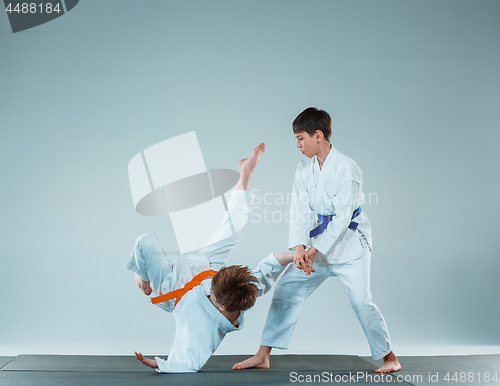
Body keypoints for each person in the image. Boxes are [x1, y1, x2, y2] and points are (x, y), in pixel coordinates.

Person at [233, 108, 401, 373]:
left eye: (301, 139)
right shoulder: (304, 167)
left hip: (350, 245)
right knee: (287, 288)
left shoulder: (346, 168)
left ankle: (389, 357)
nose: (298, 145)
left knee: (361, 300)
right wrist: (300, 247)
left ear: (318, 135)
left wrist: (313, 250)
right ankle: (263, 354)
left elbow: (343, 216)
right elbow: (299, 208)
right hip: (319, 243)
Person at [127, 143, 295, 373]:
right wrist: (295, 256)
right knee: (232, 229)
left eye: (214, 290)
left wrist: (158, 363)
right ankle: (244, 176)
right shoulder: (242, 287)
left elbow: (189, 361)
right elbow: (269, 265)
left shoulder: (204, 325)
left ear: (222, 307)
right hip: (205, 267)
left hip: (173, 290)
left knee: (144, 241)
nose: (211, 287)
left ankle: (145, 284)